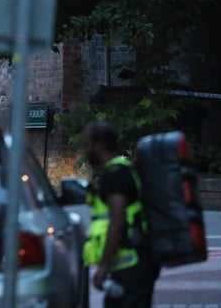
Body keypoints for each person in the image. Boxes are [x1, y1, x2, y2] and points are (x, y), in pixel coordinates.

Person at [82, 121, 160, 308]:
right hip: (133, 265)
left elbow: (117, 224)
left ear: (99, 146)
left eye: (87, 145)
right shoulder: (121, 169)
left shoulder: (115, 174)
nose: (85, 150)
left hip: (132, 266)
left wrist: (103, 268)